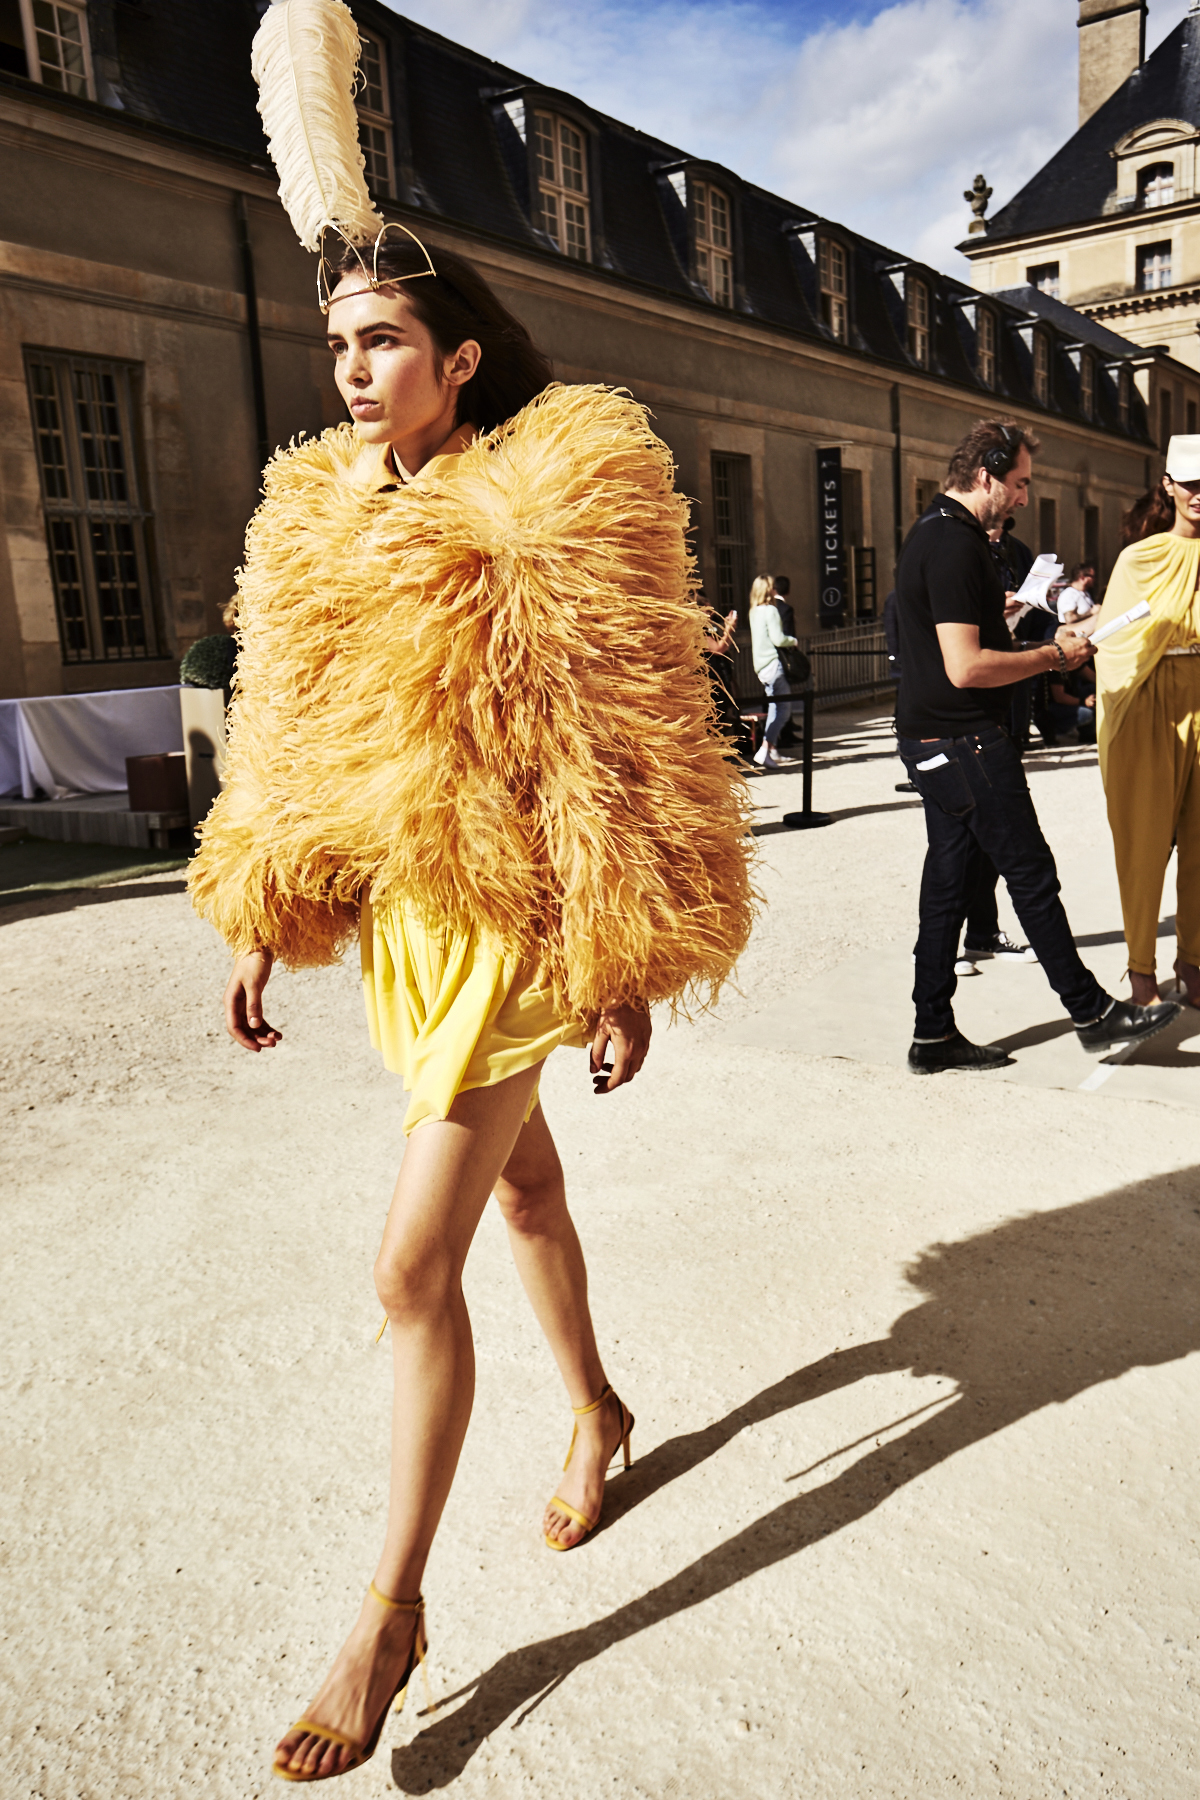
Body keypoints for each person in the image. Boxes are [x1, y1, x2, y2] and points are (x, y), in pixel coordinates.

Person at [190, 7, 754, 1782]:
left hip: (518, 925)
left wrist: (625, 951)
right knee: (523, 1202)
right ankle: (599, 1404)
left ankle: (390, 1610)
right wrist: (259, 904)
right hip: (403, 936)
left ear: (456, 360)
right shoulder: (315, 521)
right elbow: (286, 724)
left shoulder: (551, 499)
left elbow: (629, 738)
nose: (353, 370)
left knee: (407, 1265)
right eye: (338, 342)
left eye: (384, 343)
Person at [894, 417, 1179, 1074]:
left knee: (947, 886)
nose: (1024, 497)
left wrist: (1012, 625)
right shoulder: (957, 545)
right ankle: (1093, 1015)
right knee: (1031, 876)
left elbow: (955, 650)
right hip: (965, 740)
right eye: (1019, 483)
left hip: (934, 738)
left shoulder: (935, 534)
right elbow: (966, 667)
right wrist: (1053, 655)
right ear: (987, 475)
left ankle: (931, 1032)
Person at [1094, 434, 1200, 1009]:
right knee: (1144, 841)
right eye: (1190, 482)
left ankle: (1193, 960)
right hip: (1152, 701)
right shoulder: (1142, 556)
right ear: (1168, 485)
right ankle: (1141, 968)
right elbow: (1114, 644)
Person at [749, 572, 796, 768]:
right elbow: (778, 639)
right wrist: (793, 641)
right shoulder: (770, 611)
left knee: (776, 708)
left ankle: (767, 750)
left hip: (760, 666)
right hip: (772, 664)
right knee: (782, 710)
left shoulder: (754, 611)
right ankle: (766, 748)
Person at [1056, 562, 1097, 627]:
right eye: (1092, 576)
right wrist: (1091, 612)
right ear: (1082, 578)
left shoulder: (1085, 594)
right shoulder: (1069, 594)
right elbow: (1069, 619)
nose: (1094, 579)